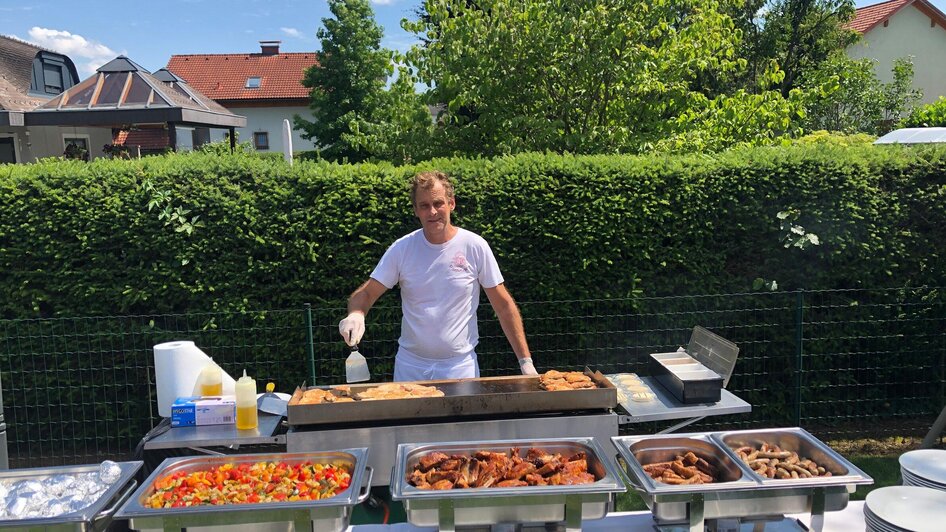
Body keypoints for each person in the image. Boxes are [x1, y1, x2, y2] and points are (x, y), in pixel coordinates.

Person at [338, 170, 537, 381]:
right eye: (424, 206)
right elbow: (366, 293)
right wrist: (356, 314)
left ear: (452, 203)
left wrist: (526, 363)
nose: (432, 212)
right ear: (415, 210)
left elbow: (504, 306)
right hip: (410, 368)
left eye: (438, 203)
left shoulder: (475, 246)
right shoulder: (402, 249)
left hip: (460, 368)